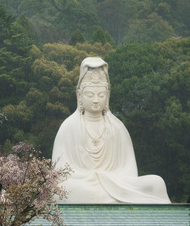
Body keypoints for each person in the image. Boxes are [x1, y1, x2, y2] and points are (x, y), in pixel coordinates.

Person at [52, 57, 171, 203]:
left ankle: (109, 198)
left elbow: (130, 172)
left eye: (100, 95)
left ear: (107, 96)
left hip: (117, 184)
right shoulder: (69, 127)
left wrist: (107, 179)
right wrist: (94, 178)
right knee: (56, 190)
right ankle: (111, 199)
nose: (96, 100)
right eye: (90, 95)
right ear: (79, 96)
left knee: (156, 183)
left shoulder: (117, 127)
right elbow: (57, 174)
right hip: (83, 185)